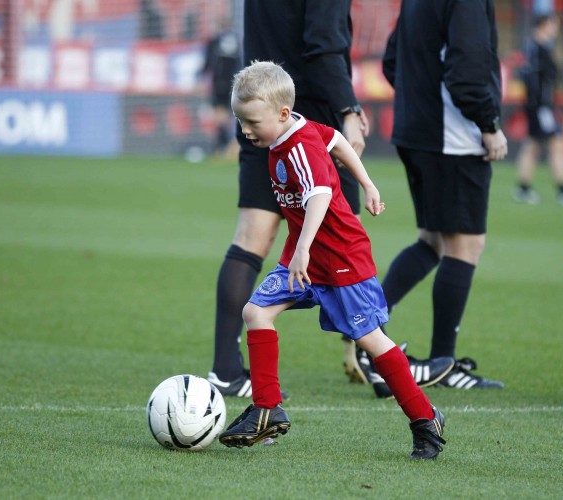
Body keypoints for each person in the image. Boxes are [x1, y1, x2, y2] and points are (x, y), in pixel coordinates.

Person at [207, 0, 453, 399]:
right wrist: (348, 107)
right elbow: (323, 44)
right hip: (303, 115)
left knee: (250, 239)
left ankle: (225, 369)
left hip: (256, 112)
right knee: (338, 244)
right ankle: (379, 361)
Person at [218, 61, 446, 460]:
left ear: (282, 113)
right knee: (256, 312)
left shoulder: (298, 146)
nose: (245, 131)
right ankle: (267, 410)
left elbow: (320, 193)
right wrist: (368, 183)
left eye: (252, 121)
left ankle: (425, 419)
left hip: (340, 257)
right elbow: (337, 138)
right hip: (304, 256)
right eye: (241, 121)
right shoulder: (293, 130)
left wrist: (304, 247)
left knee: (370, 341)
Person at [370, 0, 508, 392]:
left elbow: (392, 60)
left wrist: (421, 102)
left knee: (432, 240)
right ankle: (442, 365)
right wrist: (488, 123)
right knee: (465, 245)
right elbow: (466, 71)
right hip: (453, 139)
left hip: (416, 130)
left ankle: (365, 330)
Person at [513, 13, 563, 207]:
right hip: (541, 107)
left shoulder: (536, 48)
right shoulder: (536, 49)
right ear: (544, 25)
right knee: (557, 143)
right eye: (554, 25)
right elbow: (533, 81)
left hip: (541, 106)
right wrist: (540, 105)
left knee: (533, 145)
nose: (556, 30)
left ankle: (523, 188)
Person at [201, 19, 241, 157]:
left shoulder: (215, 41)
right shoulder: (236, 41)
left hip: (219, 83)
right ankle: (229, 145)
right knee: (230, 115)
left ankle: (224, 145)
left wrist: (202, 76)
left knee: (220, 115)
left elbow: (208, 62)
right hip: (234, 82)